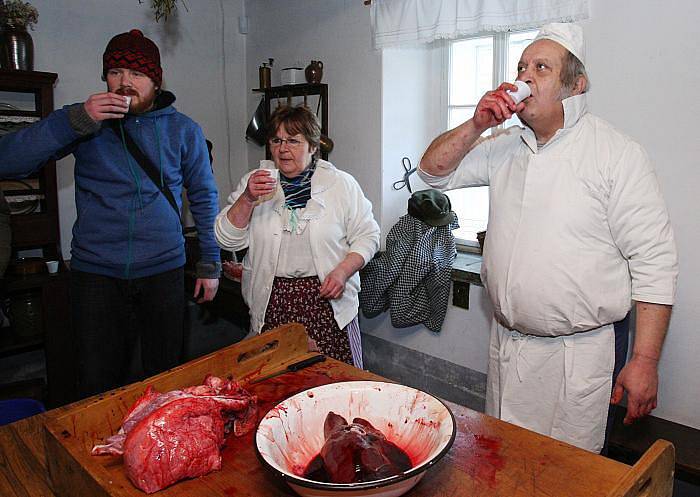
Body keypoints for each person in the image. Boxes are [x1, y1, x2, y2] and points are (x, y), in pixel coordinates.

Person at [418, 23, 678, 452]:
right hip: (507, 346)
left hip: (576, 357)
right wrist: (477, 122)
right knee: (508, 461)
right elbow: (431, 173)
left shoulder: (615, 153)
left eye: (541, 67)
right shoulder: (504, 144)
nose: (524, 76)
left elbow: (655, 261)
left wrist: (644, 361)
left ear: (574, 86)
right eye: (521, 66)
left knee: (568, 474)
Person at [0, 29, 221, 398]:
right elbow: (9, 161)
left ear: (156, 80)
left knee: (165, 377)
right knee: (97, 381)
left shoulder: (184, 130)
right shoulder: (84, 122)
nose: (125, 83)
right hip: (96, 274)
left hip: (164, 270)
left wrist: (210, 263)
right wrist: (74, 120)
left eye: (136, 74)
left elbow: (203, 194)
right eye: (116, 72)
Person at [215, 105, 379, 367]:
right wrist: (247, 199)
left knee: (335, 382)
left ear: (313, 146)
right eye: (276, 140)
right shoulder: (255, 182)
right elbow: (227, 239)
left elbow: (368, 235)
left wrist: (342, 272)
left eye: (293, 140)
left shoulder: (340, 185)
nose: (282, 148)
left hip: (327, 301)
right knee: (279, 384)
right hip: (273, 303)